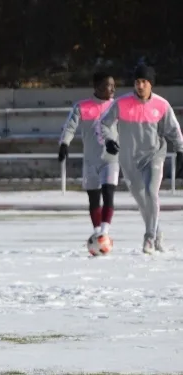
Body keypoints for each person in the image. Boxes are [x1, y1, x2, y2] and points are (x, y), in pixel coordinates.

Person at [96, 64, 183, 253]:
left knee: (152, 193)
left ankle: (149, 238)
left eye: (144, 82)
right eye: (137, 82)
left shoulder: (161, 105)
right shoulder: (121, 103)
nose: (140, 86)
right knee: (143, 201)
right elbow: (104, 124)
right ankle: (157, 232)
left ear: (151, 84)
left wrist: (180, 150)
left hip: (154, 156)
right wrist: (110, 139)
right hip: (129, 161)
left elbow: (174, 130)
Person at [58, 71, 117, 251]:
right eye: (109, 85)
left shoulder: (117, 106)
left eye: (114, 85)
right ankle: (97, 231)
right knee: (93, 198)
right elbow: (70, 126)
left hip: (111, 159)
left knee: (108, 194)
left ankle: (104, 233)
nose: (113, 89)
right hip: (90, 161)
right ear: (97, 87)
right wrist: (64, 144)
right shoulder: (82, 106)